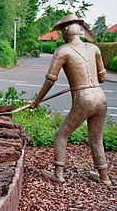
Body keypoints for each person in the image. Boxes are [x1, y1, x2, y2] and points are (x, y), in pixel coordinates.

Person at [29, 14, 111, 186]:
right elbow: (102, 78)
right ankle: (104, 178)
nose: (61, 34)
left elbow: (51, 79)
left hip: (84, 98)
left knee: (61, 135)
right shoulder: (94, 48)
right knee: (96, 138)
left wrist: (37, 101)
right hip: (100, 97)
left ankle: (58, 174)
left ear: (66, 31)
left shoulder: (63, 51)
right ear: (80, 30)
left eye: (61, 31)